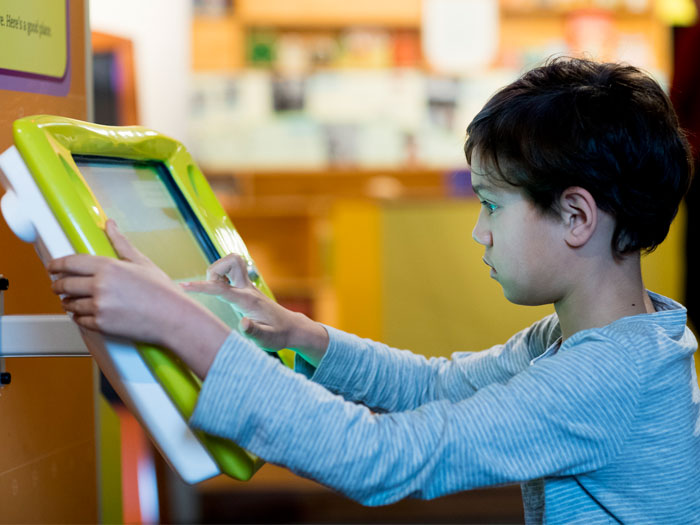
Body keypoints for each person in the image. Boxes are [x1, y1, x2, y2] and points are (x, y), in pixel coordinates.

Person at [48, 57, 700, 524]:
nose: (480, 233)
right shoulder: (605, 336)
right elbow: (436, 387)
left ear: (577, 216)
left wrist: (178, 322)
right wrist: (299, 333)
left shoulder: (607, 374)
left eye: (492, 206)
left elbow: (384, 456)